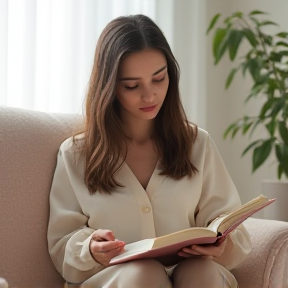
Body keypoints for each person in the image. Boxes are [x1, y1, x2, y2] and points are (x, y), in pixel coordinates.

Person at [47, 14, 251, 288]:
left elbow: (228, 223)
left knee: (201, 272)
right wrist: (90, 248)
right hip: (118, 280)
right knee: (143, 273)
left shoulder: (197, 144)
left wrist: (221, 244)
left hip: (196, 276)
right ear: (108, 86)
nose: (150, 95)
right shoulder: (75, 154)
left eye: (159, 78)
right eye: (132, 85)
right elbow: (62, 241)